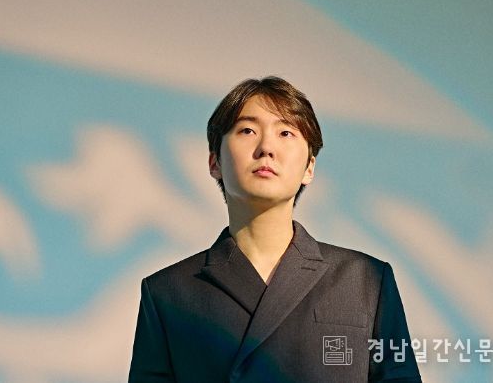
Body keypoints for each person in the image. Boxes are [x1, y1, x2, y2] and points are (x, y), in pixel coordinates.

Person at [128, 76, 422, 382]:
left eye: (285, 132)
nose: (266, 147)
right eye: (247, 130)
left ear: (309, 167)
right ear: (215, 163)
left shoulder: (365, 280)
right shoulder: (168, 292)